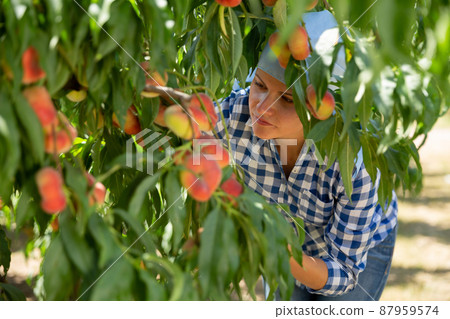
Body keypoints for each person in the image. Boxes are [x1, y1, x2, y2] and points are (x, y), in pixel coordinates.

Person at [209, 10, 398, 301]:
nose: (261, 106)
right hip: (289, 242)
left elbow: (343, 271)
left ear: (321, 112)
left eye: (286, 99)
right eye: (259, 85)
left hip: (358, 252)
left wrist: (279, 251)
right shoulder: (238, 115)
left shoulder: (352, 165)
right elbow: (181, 133)